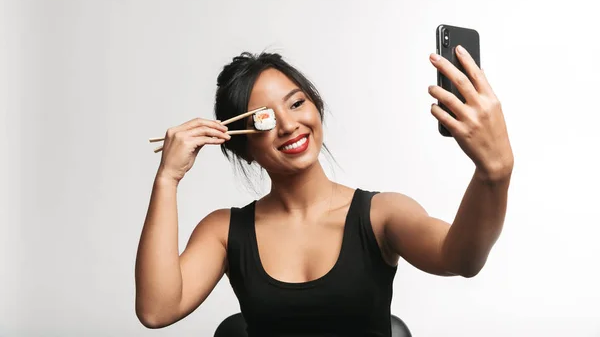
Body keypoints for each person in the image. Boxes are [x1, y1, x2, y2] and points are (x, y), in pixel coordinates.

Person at [135, 49, 514, 336]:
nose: (289, 125)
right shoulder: (224, 231)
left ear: (316, 108)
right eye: (264, 119)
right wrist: (167, 179)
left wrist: (493, 173)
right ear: (242, 149)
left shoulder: (381, 214)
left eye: (297, 103)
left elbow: (460, 259)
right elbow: (156, 310)